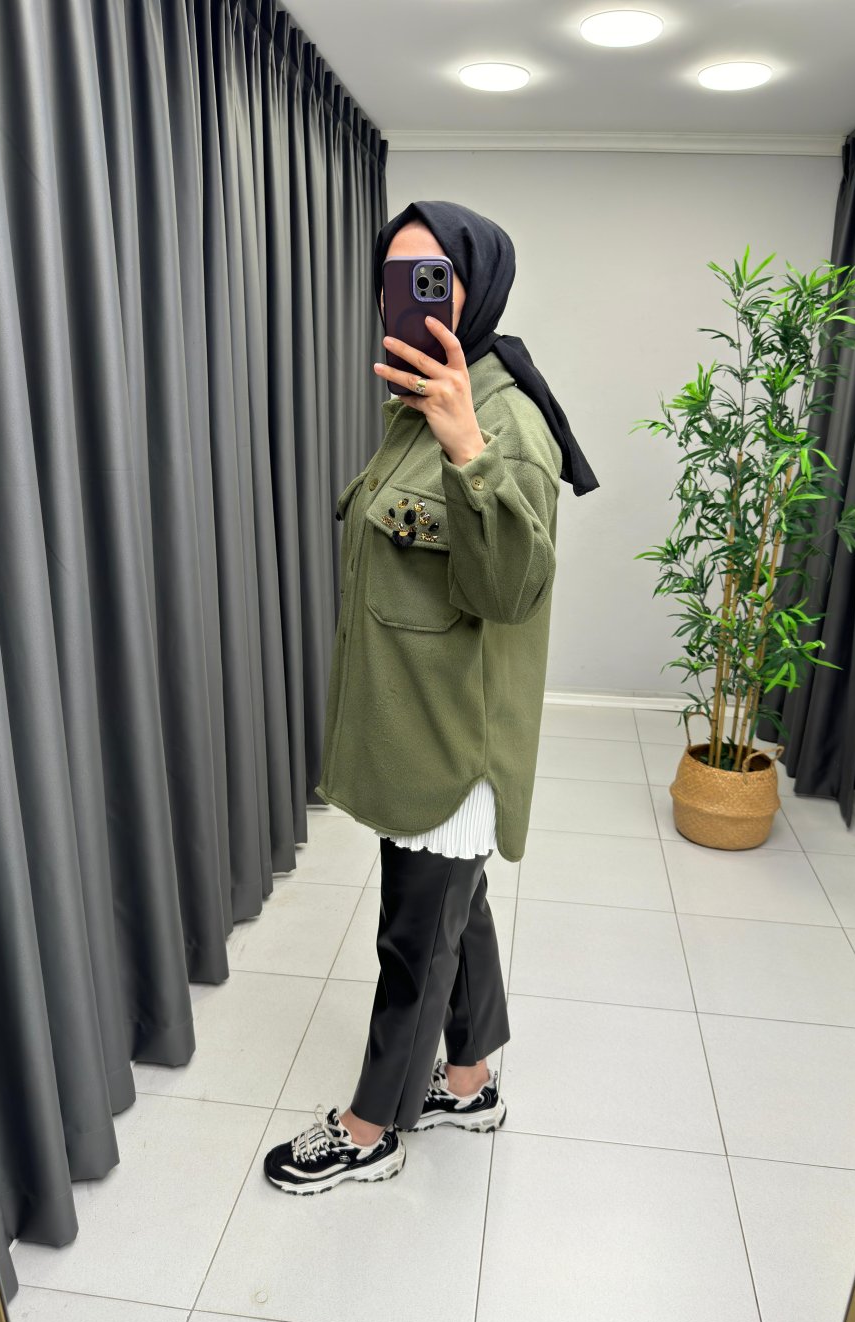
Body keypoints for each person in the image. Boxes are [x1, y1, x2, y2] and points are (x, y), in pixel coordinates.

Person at [263, 200, 599, 1196]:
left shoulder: (502, 421)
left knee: (413, 940)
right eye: (394, 281)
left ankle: (373, 1125)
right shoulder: (415, 404)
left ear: (474, 289)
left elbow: (511, 589)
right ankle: (470, 1079)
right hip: (414, 726)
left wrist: (466, 451)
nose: (406, 302)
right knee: (458, 904)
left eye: (432, 280)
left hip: (453, 740)